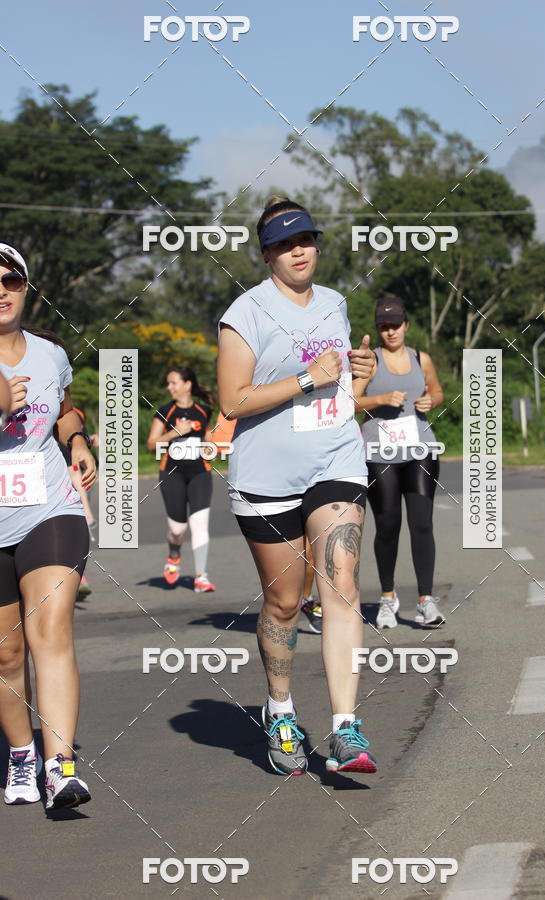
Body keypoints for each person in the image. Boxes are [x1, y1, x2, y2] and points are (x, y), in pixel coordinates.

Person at [218, 195, 377, 776]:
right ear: (266, 254)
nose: (298, 251)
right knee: (286, 600)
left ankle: (344, 729)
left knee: (340, 583)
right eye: (285, 244)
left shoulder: (335, 303)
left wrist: (358, 377)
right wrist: (306, 377)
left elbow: (341, 386)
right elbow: (232, 400)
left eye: (305, 239)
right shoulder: (246, 314)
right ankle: (280, 710)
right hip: (266, 476)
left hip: (334, 457)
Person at [0, 242, 96, 809]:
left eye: (11, 278)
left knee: (51, 630)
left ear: (26, 288)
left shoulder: (49, 354)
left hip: (48, 507)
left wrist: (77, 439)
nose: (1, 289)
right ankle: (21, 754)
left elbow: (63, 408)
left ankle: (61, 766)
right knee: (7, 656)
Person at [354, 296, 445, 629]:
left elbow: (437, 392)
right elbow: (350, 401)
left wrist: (430, 400)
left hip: (420, 448)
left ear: (406, 325)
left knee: (422, 524)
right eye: (383, 326)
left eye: (395, 325)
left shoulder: (422, 358)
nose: (390, 331)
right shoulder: (370, 361)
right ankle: (388, 598)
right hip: (380, 454)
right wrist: (379, 399)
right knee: (388, 526)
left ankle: (426, 601)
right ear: (377, 329)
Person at [147, 367, 215, 592]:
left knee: (200, 525)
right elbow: (151, 444)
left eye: (173, 383)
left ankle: (201, 576)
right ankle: (174, 554)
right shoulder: (166, 411)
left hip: (200, 473)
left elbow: (209, 441)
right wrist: (174, 432)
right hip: (172, 473)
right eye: (168, 383)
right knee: (177, 529)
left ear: (187, 384)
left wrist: (211, 447)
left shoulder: (204, 410)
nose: (170, 387)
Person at [56, 405, 98, 598]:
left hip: (77, 476)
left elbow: (80, 441)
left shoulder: (74, 414)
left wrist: (89, 440)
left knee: (74, 532)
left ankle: (78, 576)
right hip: (59, 478)